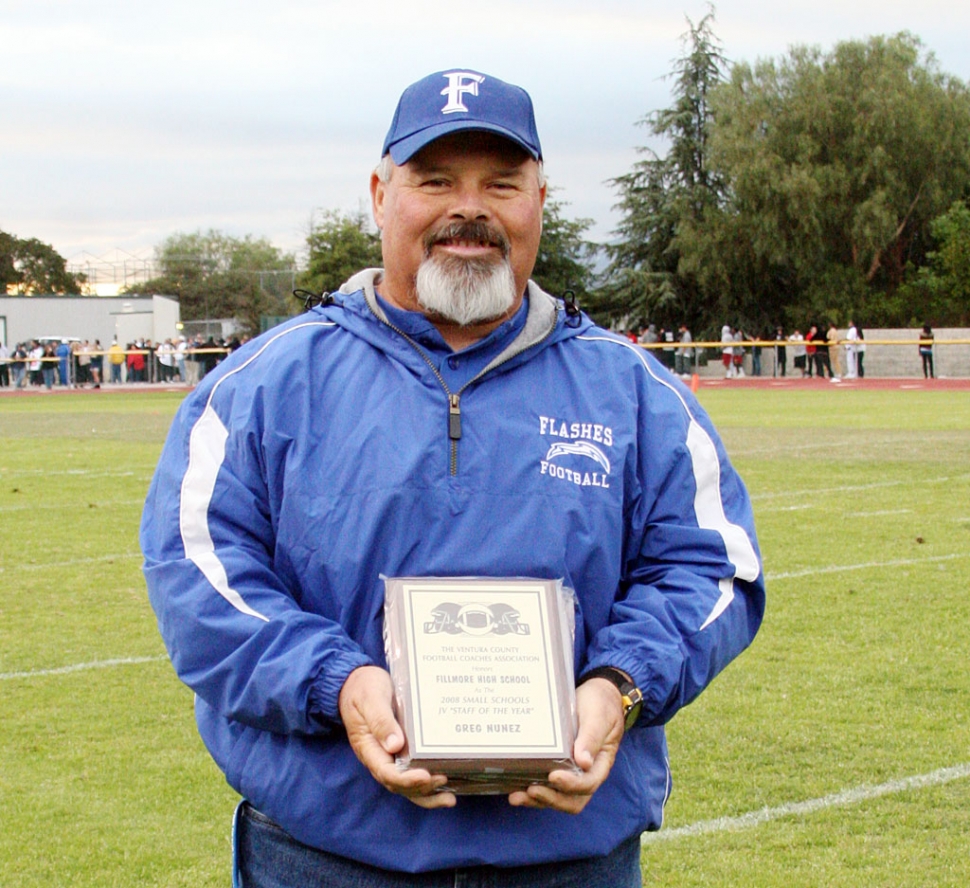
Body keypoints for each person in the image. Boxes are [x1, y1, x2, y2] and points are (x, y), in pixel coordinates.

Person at [141, 68, 765, 888]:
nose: (468, 209)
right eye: (435, 181)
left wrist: (621, 685)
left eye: (501, 184)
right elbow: (197, 577)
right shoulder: (258, 386)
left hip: (568, 860)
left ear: (540, 200)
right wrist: (338, 682)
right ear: (380, 195)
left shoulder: (636, 393)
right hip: (323, 857)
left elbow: (712, 570)